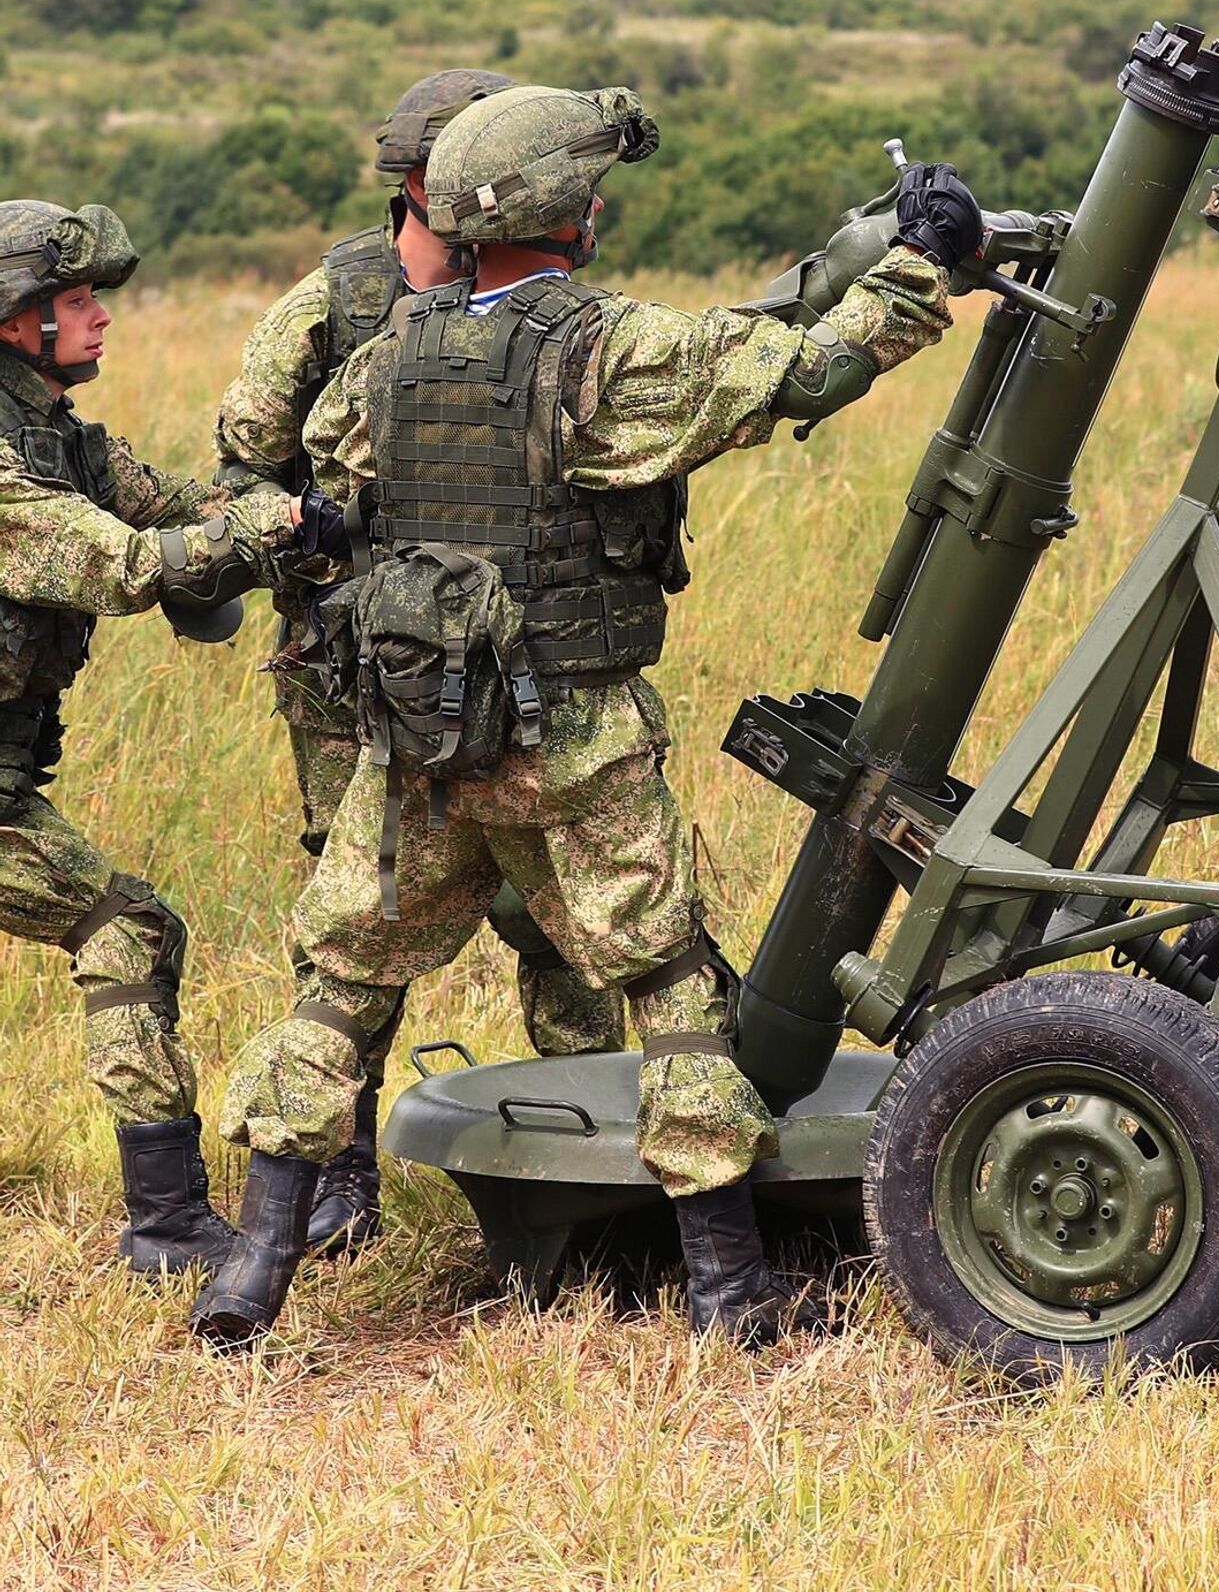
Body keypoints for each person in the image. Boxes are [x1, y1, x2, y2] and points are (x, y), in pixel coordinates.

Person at [189, 84, 983, 1350]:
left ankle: (253, 1266)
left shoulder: (390, 350)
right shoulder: (605, 347)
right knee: (666, 982)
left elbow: (326, 473)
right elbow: (809, 370)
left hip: (418, 745)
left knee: (338, 982)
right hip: (572, 734)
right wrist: (920, 263)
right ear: (568, 213)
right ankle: (728, 1286)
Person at [214, 69, 624, 1262]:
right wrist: (334, 559)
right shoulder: (335, 303)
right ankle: (337, 1183)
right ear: (416, 185)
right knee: (364, 923)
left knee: (570, 923)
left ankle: (591, 1173)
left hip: (518, 676)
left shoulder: (546, 308)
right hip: (363, 681)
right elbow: (250, 462)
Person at [0, 199, 289, 1272]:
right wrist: (263, 533)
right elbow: (125, 565)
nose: (100, 321)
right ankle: (167, 1229)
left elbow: (173, 512)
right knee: (127, 929)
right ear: (15, 319)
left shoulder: (59, 437)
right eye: (77, 303)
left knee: (130, 927)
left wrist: (308, 512)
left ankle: (167, 1223)